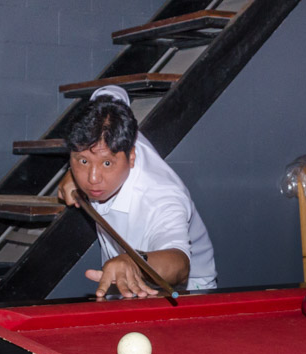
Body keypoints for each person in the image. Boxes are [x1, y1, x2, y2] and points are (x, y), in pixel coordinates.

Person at [57, 86, 217, 297]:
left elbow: (179, 265)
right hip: (123, 270)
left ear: (131, 157)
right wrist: (72, 171)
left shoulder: (162, 197)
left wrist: (133, 262)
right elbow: (113, 93)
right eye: (83, 161)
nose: (93, 178)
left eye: (106, 163)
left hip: (185, 288)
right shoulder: (113, 128)